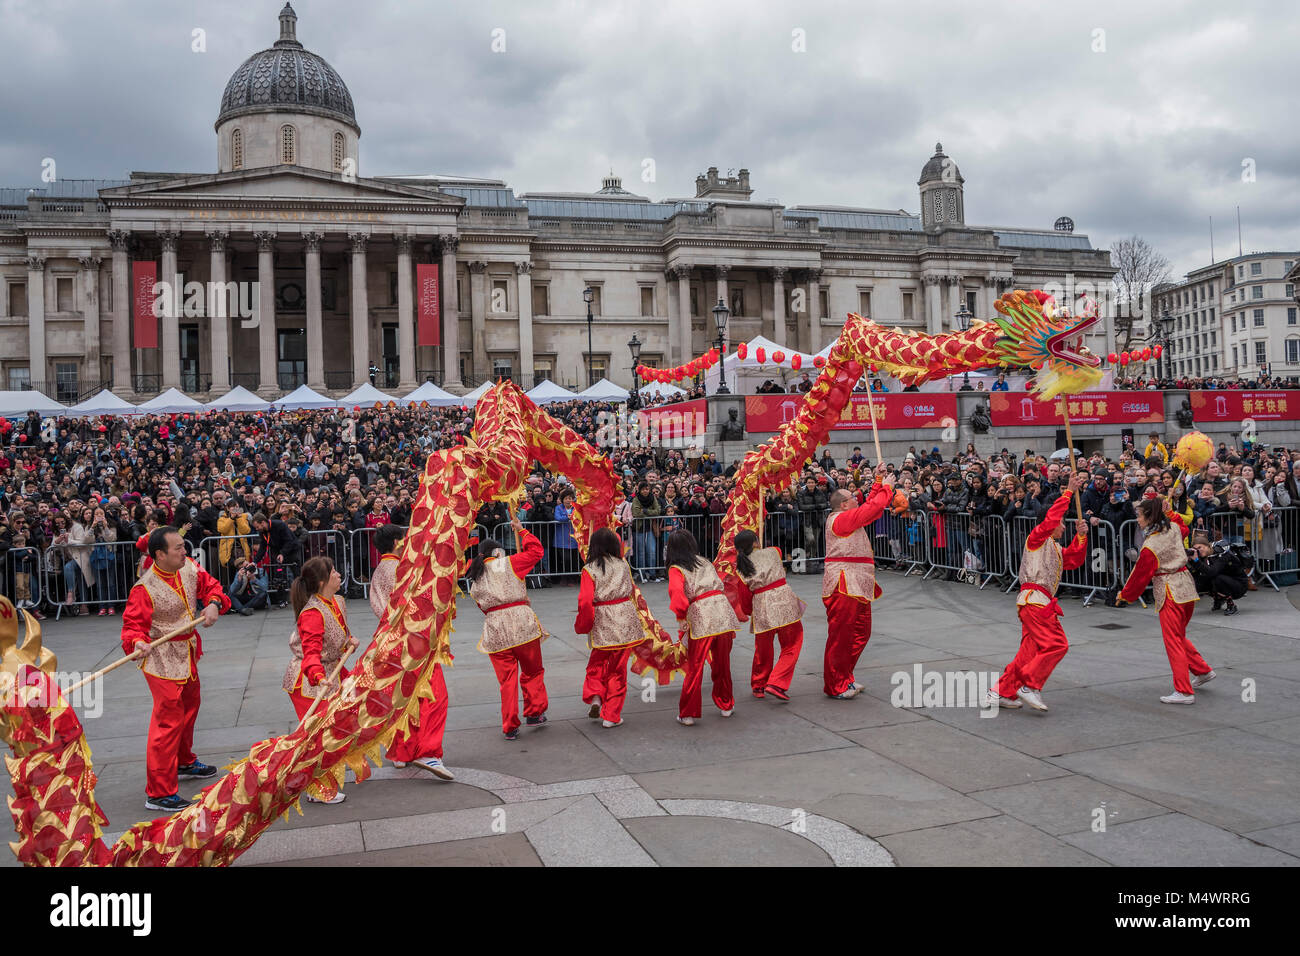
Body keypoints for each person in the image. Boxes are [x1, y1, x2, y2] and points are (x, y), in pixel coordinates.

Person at [119, 526, 230, 812]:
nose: (185, 552)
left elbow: (213, 588)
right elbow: (132, 627)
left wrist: (214, 604)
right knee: (167, 720)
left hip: (188, 649)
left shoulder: (190, 568)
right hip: (160, 657)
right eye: (178, 548)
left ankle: (184, 761)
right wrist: (136, 642)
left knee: (190, 707)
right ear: (160, 554)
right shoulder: (145, 588)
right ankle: (158, 792)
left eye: (184, 546)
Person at [988, 472, 1088, 712]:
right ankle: (1030, 686)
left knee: (1027, 654)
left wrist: (1081, 536)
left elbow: (1073, 559)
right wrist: (1068, 492)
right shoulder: (1037, 537)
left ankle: (1000, 691)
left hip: (1035, 603)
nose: (1064, 526)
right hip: (1036, 604)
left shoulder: (1053, 546)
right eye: (1062, 523)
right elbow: (1052, 518)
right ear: (1052, 524)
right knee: (1057, 645)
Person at [372, 523, 453, 779]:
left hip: (391, 641)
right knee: (434, 695)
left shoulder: (380, 570)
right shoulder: (400, 567)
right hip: (412, 640)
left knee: (402, 698)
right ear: (397, 541)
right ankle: (428, 751)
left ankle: (400, 751)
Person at [1117, 498, 1214, 704]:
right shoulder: (1173, 529)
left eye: (1140, 515)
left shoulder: (1151, 545)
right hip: (1186, 587)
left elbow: (1140, 575)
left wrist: (1124, 595)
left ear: (1149, 517)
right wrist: (1170, 513)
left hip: (1170, 590)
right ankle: (1202, 670)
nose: (1137, 519)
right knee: (1178, 636)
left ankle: (1184, 691)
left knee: (1173, 641)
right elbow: (1185, 529)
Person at [468, 513, 549, 740]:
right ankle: (534, 712)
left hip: (495, 629)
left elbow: (483, 607)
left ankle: (510, 725)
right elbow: (536, 552)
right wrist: (522, 530)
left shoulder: (475, 578)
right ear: (497, 552)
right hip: (522, 623)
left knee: (507, 680)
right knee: (533, 671)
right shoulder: (508, 563)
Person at [821, 465, 892, 699]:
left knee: (861, 632)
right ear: (843, 504)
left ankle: (845, 677)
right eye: (853, 498)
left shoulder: (848, 517)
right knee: (842, 637)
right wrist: (887, 490)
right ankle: (835, 684)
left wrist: (879, 479)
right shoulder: (839, 520)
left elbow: (868, 509)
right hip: (843, 583)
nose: (856, 499)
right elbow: (870, 509)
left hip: (857, 583)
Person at [666, 528, 739, 726]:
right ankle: (726, 704)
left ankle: (688, 712)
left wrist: (681, 615)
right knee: (722, 662)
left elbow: (676, 592)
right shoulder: (705, 561)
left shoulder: (676, 569)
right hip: (722, 610)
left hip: (701, 613)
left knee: (696, 666)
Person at [574, 527, 644, 728]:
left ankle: (595, 695)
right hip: (624, 614)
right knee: (618, 670)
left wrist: (582, 624)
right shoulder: (623, 564)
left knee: (596, 662)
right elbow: (631, 589)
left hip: (603, 618)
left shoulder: (590, 569)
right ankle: (611, 715)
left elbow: (585, 601)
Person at [732, 529, 805, 701]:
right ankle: (777, 682)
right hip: (783, 598)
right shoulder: (774, 552)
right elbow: (776, 550)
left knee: (763, 648)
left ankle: (759, 684)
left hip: (761, 604)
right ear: (757, 542)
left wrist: (751, 611)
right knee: (792, 643)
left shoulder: (741, 568)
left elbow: (744, 597)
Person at [1188, 533, 1247, 615]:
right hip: (1225, 580)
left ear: (1208, 546)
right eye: (1195, 549)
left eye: (1200, 547)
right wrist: (1191, 561)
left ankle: (1231, 605)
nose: (1198, 550)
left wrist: (1197, 561)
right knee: (1198, 581)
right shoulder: (1202, 556)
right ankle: (1218, 599)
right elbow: (1198, 574)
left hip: (1239, 585)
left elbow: (1212, 572)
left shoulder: (1221, 553)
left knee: (1217, 579)